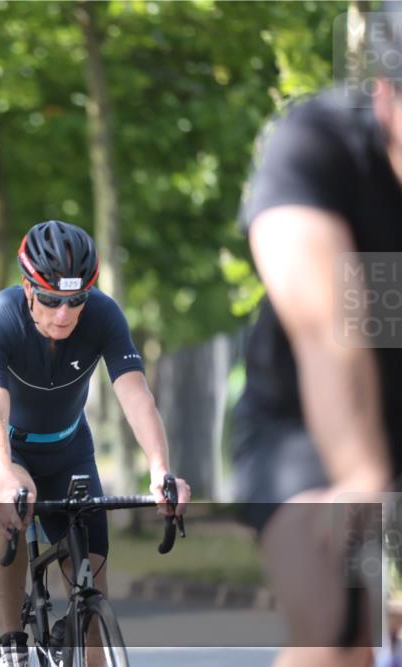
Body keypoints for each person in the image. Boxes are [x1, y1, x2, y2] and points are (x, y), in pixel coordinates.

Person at [231, 11, 402, 667]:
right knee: (338, 616)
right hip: (305, 420)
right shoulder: (316, 143)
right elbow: (326, 323)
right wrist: (362, 475)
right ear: (385, 94)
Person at [0, 220, 191, 667]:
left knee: (92, 611)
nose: (63, 314)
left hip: (67, 446)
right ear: (27, 288)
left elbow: (136, 394)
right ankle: (11, 644)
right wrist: (2, 474)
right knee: (12, 503)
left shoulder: (103, 315)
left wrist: (160, 468)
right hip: (1, 439)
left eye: (76, 300)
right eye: (50, 300)